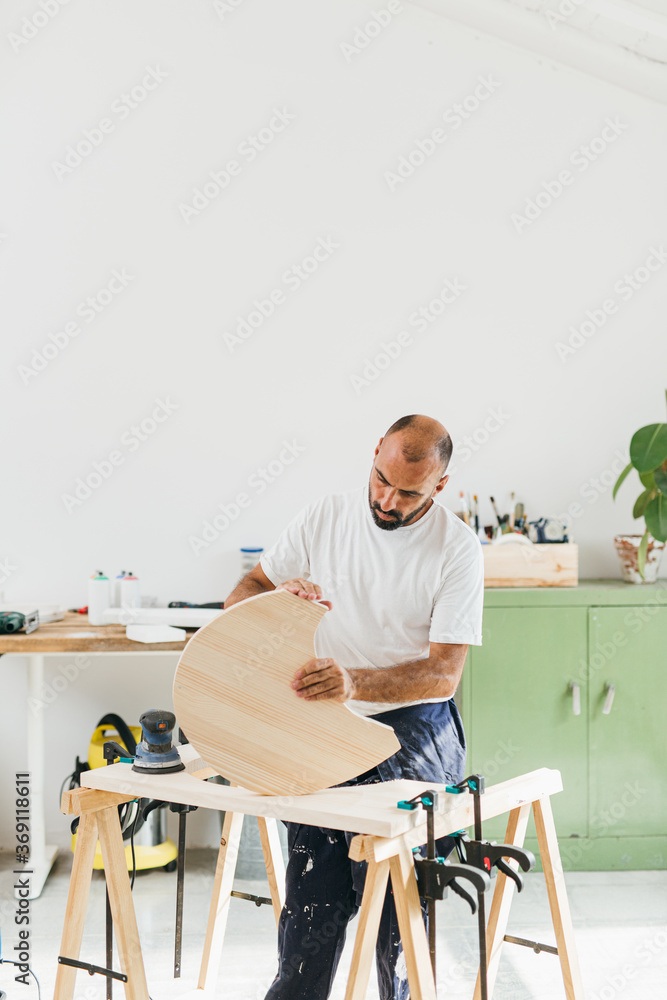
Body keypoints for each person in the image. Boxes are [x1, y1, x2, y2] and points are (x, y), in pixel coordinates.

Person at [224, 413, 484, 1000]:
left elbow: (443, 674)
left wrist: (353, 683)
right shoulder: (326, 516)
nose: (388, 501)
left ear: (440, 485)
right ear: (374, 454)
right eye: (381, 480)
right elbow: (245, 593)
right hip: (325, 721)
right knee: (312, 904)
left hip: (415, 727)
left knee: (395, 907)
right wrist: (276, 603)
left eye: (409, 493)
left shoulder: (457, 549)